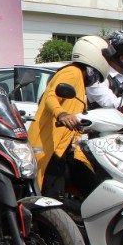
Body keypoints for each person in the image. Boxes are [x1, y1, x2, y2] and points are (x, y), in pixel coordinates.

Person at [28, 36, 110, 202]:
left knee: (92, 189)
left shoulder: (79, 79)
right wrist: (62, 114)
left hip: (68, 148)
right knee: (51, 198)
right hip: (52, 148)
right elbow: (52, 96)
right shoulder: (72, 72)